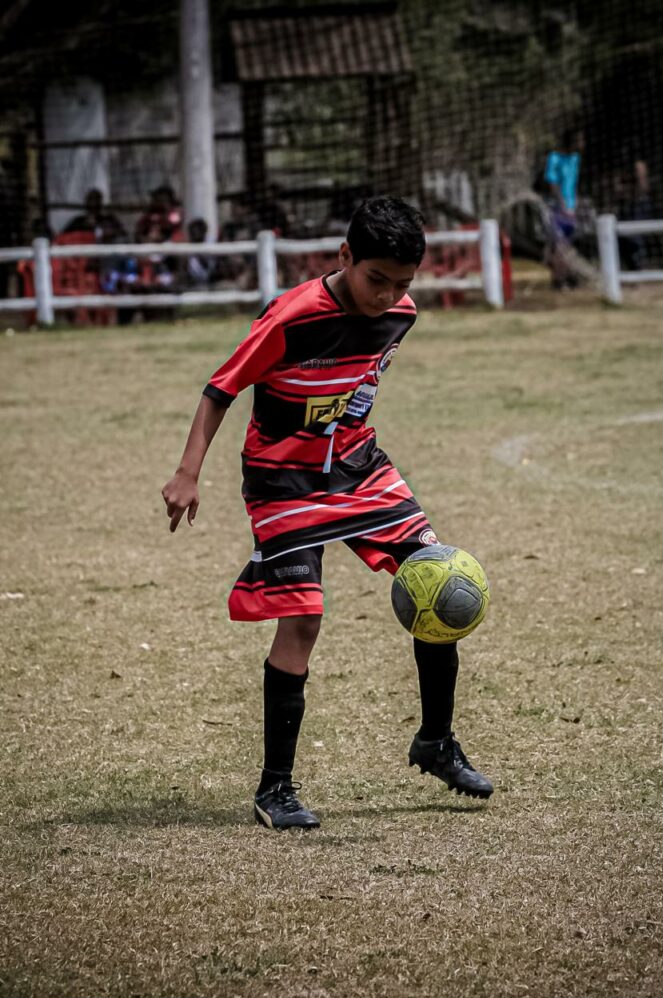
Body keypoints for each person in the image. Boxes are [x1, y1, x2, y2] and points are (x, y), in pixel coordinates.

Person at [161, 196, 493, 831]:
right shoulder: (290, 318)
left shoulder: (401, 313)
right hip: (283, 479)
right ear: (344, 256)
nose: (388, 294)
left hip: (358, 468)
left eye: (402, 283)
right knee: (303, 621)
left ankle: (436, 742)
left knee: (437, 577)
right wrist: (187, 472)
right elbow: (220, 389)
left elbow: (358, 382)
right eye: (377, 278)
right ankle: (274, 789)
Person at [543, 129, 585, 288]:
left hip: (571, 207)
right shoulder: (554, 158)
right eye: (580, 140)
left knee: (568, 244)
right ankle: (559, 279)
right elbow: (552, 184)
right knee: (559, 244)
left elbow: (574, 183)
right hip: (557, 208)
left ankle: (566, 275)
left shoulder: (575, 159)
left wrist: (575, 204)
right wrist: (562, 205)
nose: (582, 144)